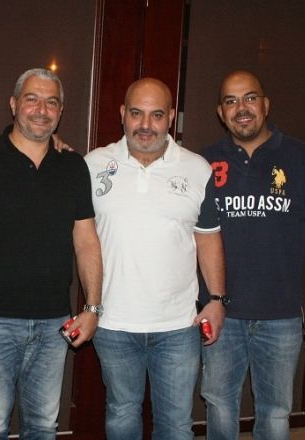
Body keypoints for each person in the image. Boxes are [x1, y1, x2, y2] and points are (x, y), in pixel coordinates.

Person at [0, 68, 103, 440]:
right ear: (13, 104)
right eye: (32, 99)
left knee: (44, 427)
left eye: (51, 102)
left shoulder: (72, 166)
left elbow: (86, 241)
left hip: (53, 324)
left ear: (60, 112)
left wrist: (92, 308)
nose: (41, 110)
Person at [84, 78, 226, 440]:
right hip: (113, 323)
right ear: (122, 114)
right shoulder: (91, 165)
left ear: (171, 118)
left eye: (157, 115)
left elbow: (208, 238)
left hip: (178, 325)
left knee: (176, 424)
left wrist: (216, 299)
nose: (145, 124)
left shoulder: (197, 168)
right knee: (121, 414)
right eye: (136, 113)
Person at [200, 70, 305, 440]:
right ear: (220, 112)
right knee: (219, 405)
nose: (241, 108)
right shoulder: (203, 162)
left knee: (276, 414)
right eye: (231, 101)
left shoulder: (300, 158)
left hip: (281, 318)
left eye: (249, 98)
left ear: (265, 104)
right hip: (221, 314)